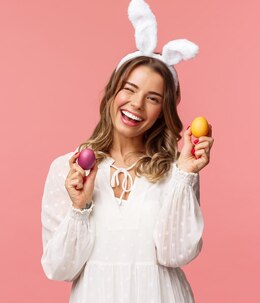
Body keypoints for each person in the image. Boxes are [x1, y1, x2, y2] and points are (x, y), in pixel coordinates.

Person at [40, 1, 212, 302]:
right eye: (129, 90)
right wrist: (80, 208)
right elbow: (58, 269)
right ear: (112, 92)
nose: (136, 104)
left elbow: (176, 254)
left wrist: (185, 174)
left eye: (153, 98)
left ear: (163, 111)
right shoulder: (68, 170)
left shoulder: (177, 171)